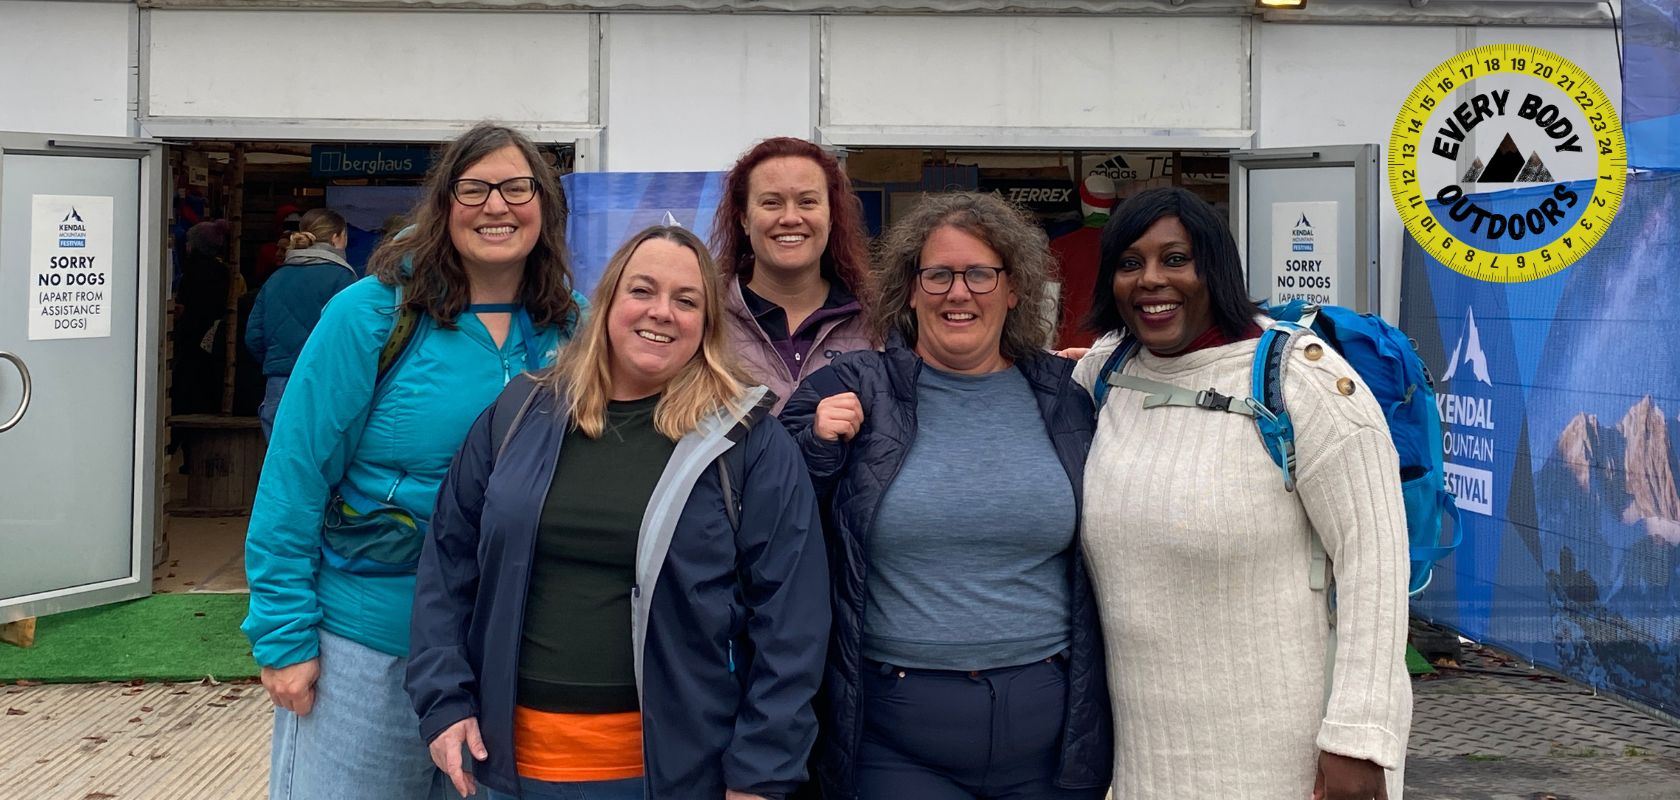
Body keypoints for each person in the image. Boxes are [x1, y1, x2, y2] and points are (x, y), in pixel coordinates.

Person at [408, 225, 830, 800]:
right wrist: (444, 699)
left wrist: (761, 772)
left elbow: (791, 622)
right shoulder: (520, 411)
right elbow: (448, 563)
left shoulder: (747, 441)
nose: (661, 313)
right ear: (607, 301)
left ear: (707, 324)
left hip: (668, 775)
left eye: (687, 301)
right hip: (502, 770)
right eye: (642, 291)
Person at [243, 122, 586, 800]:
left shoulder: (573, 327)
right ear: (444, 205)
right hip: (371, 646)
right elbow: (295, 473)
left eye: (517, 188)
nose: (497, 206)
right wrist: (283, 635)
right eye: (474, 188)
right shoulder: (370, 315)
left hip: (506, 651)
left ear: (545, 206)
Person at [1071, 187, 1411, 799]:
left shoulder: (1302, 381)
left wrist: (1360, 741)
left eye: (1176, 259)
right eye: (1129, 263)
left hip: (1282, 758)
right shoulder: (1105, 374)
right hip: (1138, 760)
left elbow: (1376, 562)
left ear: (1216, 268)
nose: (1151, 280)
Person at [781, 192, 1113, 800]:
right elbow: (771, 521)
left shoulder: (1071, 398)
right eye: (938, 274)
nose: (959, 293)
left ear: (1014, 289)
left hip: (1052, 744)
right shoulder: (851, 390)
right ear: (910, 289)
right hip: (895, 743)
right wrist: (818, 447)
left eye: (981, 274)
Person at [712, 137, 874, 414]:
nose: (790, 218)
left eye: (807, 202)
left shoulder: (876, 322)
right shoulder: (707, 320)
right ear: (744, 219)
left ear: (832, 216)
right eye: (772, 203)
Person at [246, 208, 357, 439]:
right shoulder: (344, 279)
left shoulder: (275, 278)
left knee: (280, 464)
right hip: (325, 385)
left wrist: (279, 362)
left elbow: (253, 336)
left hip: (278, 386)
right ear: (338, 237)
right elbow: (352, 340)